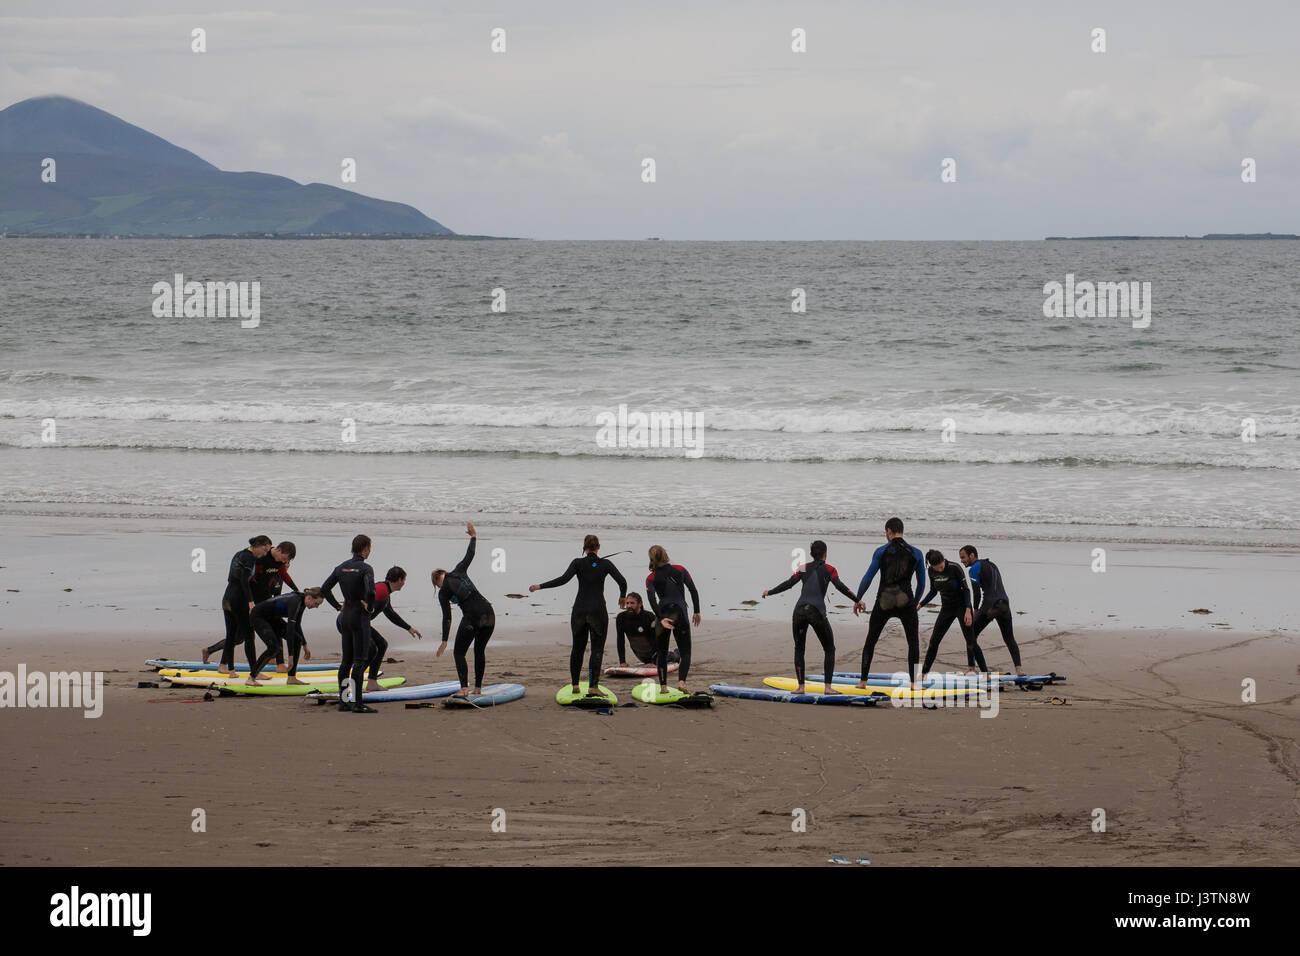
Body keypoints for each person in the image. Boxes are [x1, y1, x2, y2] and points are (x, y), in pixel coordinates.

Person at [530, 535, 627, 697]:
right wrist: (622, 596)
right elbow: (622, 581)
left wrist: (540, 586)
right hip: (597, 610)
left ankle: (575, 685)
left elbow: (563, 580)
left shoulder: (577, 563)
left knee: (577, 648)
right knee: (596, 649)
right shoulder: (605, 564)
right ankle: (593, 686)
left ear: (584, 547)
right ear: (599, 547)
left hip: (579, 610)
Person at [762, 540, 864, 694]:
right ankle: (828, 688)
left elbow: (788, 584)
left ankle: (801, 687)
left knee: (799, 648)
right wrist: (857, 600)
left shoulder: (803, 568)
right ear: (825, 554)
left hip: (799, 611)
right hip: (816, 611)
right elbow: (840, 586)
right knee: (829, 648)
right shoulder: (830, 569)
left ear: (811, 554)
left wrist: (769, 592)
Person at [853, 517, 926, 690]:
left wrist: (858, 598)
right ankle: (914, 683)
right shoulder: (916, 553)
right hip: (905, 600)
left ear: (888, 530)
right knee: (913, 642)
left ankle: (863, 682)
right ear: (902, 530)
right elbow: (922, 584)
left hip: (884, 600)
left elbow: (868, 577)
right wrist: (914, 603)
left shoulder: (881, 551)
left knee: (871, 641)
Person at [203, 541, 301, 667]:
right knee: (241, 636)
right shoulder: (262, 557)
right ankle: (217, 657)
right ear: (279, 550)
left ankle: (278, 662)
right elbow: (248, 579)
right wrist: (248, 602)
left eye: (287, 562)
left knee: (271, 627)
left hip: (264, 599)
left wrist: (296, 591)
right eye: (285, 559)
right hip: (250, 600)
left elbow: (283, 577)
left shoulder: (279, 567)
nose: (284, 563)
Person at [433, 522, 495, 699]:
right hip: (489, 613)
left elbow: (447, 617)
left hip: (473, 617)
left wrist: (444, 640)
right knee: (479, 650)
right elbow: (470, 554)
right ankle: (478, 688)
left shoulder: (443, 592)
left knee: (459, 652)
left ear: (437, 581)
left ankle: (464, 689)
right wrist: (474, 536)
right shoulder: (459, 570)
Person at [340, 566, 421, 692]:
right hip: (351, 623)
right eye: (404, 580)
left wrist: (408, 628)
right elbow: (363, 601)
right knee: (371, 650)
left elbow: (390, 613)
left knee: (381, 644)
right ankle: (353, 684)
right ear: (399, 580)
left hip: (355, 622)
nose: (404, 583)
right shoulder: (382, 592)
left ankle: (372, 682)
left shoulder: (384, 590)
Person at [321, 535, 377, 713]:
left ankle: (344, 702)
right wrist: (370, 607)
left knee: (346, 661)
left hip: (345, 616)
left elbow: (324, 589)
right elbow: (371, 591)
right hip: (360, 617)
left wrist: (338, 606)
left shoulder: (340, 567)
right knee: (359, 661)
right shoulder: (366, 568)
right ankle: (358, 704)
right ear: (366, 548)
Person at [918, 550, 987, 680]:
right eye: (937, 568)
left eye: (941, 566)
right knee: (934, 641)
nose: (940, 569)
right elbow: (933, 591)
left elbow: (966, 590)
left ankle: (985, 674)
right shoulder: (931, 572)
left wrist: (968, 610)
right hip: (947, 608)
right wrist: (921, 604)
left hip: (962, 607)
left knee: (971, 641)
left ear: (944, 560)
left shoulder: (954, 568)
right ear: (932, 567)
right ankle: (923, 673)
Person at [959, 545, 1025, 677]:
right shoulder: (992, 564)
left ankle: (971, 668)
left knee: (970, 635)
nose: (962, 560)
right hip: (1004, 604)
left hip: (990, 605)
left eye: (963, 557)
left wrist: (976, 609)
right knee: (1009, 638)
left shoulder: (973, 569)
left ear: (972, 555)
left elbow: (976, 593)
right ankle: (1019, 670)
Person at [644, 545, 701, 693]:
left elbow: (652, 600)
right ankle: (681, 682)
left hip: (663, 613)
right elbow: (693, 590)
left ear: (652, 559)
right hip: (680, 612)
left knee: (662, 652)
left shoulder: (651, 577)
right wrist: (697, 611)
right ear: (666, 555)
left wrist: (660, 618)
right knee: (685, 652)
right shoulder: (681, 569)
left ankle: (663, 687)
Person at [217, 536, 272, 674]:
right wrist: (250, 601)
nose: (264, 554)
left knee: (231, 634)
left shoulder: (239, 553)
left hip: (227, 597)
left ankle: (228, 669)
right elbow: (243, 580)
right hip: (238, 599)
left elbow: (232, 577)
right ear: (258, 545)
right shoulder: (250, 558)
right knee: (249, 635)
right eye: (264, 550)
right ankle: (255, 672)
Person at [247, 587, 325, 684]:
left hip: (272, 618)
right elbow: (290, 630)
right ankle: (251, 678)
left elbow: (297, 625)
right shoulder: (295, 602)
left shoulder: (302, 602)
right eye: (316, 603)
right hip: (258, 616)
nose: (316, 607)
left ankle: (291, 678)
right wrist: (290, 657)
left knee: (297, 639)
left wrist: (304, 645)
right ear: (309, 598)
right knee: (274, 648)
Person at [614, 592, 678, 667]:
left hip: (656, 653)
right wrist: (622, 661)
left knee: (669, 657)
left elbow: (656, 639)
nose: (629, 606)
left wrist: (653, 661)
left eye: (632, 603)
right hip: (640, 655)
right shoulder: (621, 618)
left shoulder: (649, 617)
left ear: (640, 604)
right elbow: (620, 640)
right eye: (627, 603)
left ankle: (677, 654)